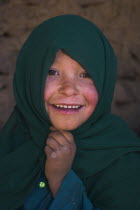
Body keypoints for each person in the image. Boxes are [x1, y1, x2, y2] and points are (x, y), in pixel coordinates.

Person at [0, 14, 140, 210]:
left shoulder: (124, 163)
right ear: (29, 77)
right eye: (52, 72)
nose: (68, 89)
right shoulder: (10, 147)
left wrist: (61, 181)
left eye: (86, 74)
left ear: (104, 81)